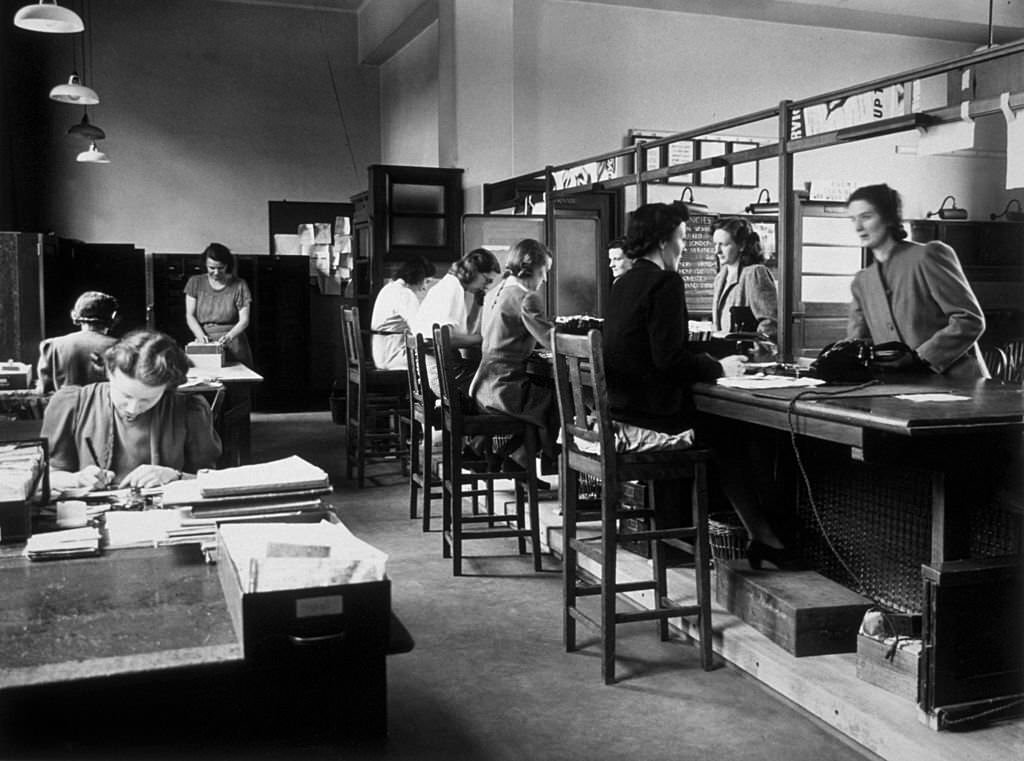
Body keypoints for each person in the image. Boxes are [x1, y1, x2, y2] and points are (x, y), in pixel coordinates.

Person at [603, 201, 791, 568]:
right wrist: (720, 369)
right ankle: (764, 534)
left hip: (622, 411)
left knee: (722, 431)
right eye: (682, 238)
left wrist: (719, 354)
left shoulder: (624, 283)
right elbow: (670, 360)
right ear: (663, 241)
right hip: (651, 420)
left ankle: (757, 535)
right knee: (734, 432)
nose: (684, 247)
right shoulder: (666, 282)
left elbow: (663, 346)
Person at [41, 329, 222, 492]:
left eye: (147, 399)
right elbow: (44, 478)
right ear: (109, 373)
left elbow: (210, 480)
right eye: (125, 395)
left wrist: (175, 476)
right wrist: (76, 479)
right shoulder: (72, 405)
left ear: (167, 387)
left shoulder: (190, 410)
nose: (133, 408)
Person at [846, 184, 988, 379]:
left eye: (866, 217)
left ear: (888, 217)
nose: (858, 227)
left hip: (957, 384)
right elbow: (858, 342)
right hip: (902, 389)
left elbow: (969, 320)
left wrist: (920, 358)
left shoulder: (928, 256)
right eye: (853, 219)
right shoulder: (862, 282)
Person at [470, 239, 557, 469]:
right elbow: (551, 341)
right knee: (556, 402)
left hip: (482, 384)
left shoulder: (495, 291)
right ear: (530, 268)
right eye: (543, 271)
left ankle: (511, 455)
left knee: (542, 397)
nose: (545, 279)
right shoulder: (526, 298)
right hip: (505, 388)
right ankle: (543, 461)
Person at [410, 247, 502, 394]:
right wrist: (483, 339)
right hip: (442, 376)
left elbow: (465, 332)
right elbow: (448, 339)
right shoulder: (451, 288)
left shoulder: (451, 285)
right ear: (474, 271)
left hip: (438, 371)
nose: (487, 286)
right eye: (487, 279)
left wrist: (478, 305)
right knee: (499, 386)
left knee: (491, 378)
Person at [184, 243, 254, 367]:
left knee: (238, 381)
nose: (216, 272)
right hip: (205, 341)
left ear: (227, 265)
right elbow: (190, 315)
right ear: (205, 264)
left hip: (234, 341)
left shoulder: (239, 285)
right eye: (212, 268)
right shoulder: (195, 282)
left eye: (221, 268)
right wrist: (199, 335)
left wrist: (229, 337)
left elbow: (244, 320)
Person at [36, 291, 120, 393]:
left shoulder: (53, 346)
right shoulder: (121, 348)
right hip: (104, 408)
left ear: (75, 315)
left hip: (67, 407)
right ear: (113, 318)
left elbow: (44, 390)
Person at [710, 218, 778, 342]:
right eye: (715, 244)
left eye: (724, 245)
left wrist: (755, 347)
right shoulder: (719, 278)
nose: (717, 251)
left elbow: (771, 323)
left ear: (741, 245)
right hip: (725, 354)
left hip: (747, 355)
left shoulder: (755, 273)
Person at [370, 255, 437, 370]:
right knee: (440, 363)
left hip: (382, 354)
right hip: (393, 357)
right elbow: (419, 330)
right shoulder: (404, 294)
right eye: (426, 281)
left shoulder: (389, 288)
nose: (425, 287)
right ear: (417, 277)